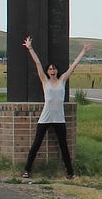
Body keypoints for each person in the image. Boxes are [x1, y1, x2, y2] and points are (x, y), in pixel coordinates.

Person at [22, 36, 90, 179]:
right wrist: (30, 48)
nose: (52, 71)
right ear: (47, 72)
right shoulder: (45, 81)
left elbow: (73, 67)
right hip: (45, 117)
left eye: (54, 69)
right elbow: (38, 64)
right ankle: (27, 170)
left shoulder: (62, 81)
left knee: (63, 146)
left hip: (59, 118)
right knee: (36, 144)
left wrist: (83, 51)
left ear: (57, 71)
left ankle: (70, 173)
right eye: (50, 69)